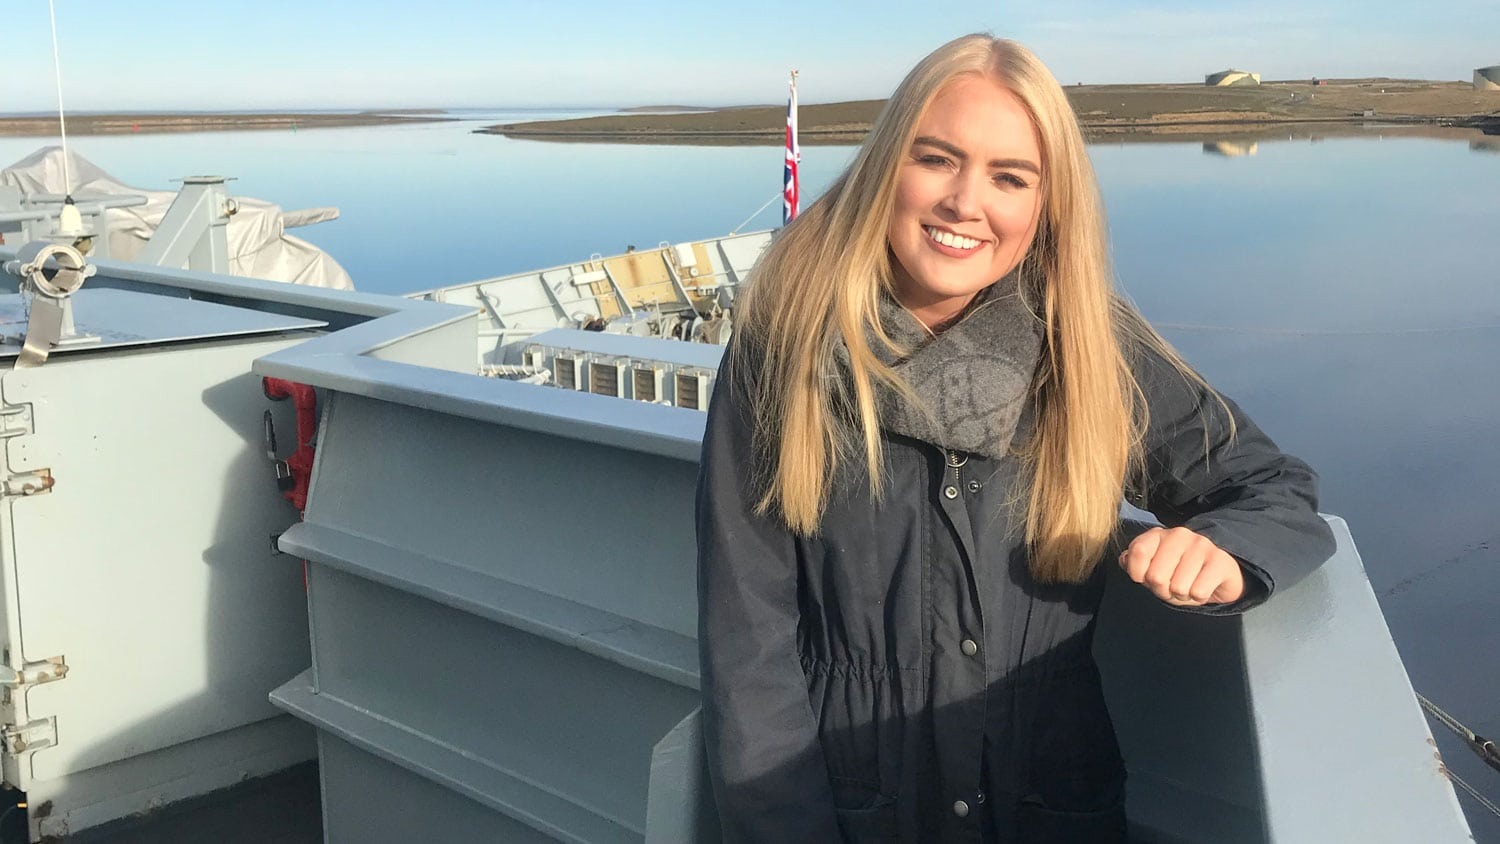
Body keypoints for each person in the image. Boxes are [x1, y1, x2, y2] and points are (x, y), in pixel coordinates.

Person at [695, 34, 1335, 844]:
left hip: (1051, 801)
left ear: (1046, 203)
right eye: (936, 159)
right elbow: (747, 645)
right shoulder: (783, 345)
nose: (966, 203)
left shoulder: (1086, 342)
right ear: (886, 166)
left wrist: (1224, 549)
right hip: (854, 805)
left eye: (1009, 177)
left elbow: (1271, 486)